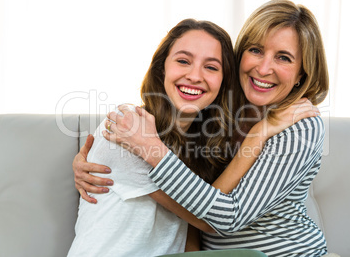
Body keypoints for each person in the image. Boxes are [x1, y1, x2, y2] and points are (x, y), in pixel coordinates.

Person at [73, 0, 330, 256]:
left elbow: (222, 218)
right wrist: (93, 156)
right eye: (255, 50)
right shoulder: (211, 117)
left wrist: (257, 136)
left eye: (283, 58)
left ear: (302, 74)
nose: (263, 68)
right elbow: (193, 201)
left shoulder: (299, 125)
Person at [67, 18, 240, 256]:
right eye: (183, 61)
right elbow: (206, 219)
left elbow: (189, 234)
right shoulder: (128, 125)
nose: (195, 75)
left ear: (223, 82)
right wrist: (257, 141)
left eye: (211, 67)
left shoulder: (202, 146)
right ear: (162, 68)